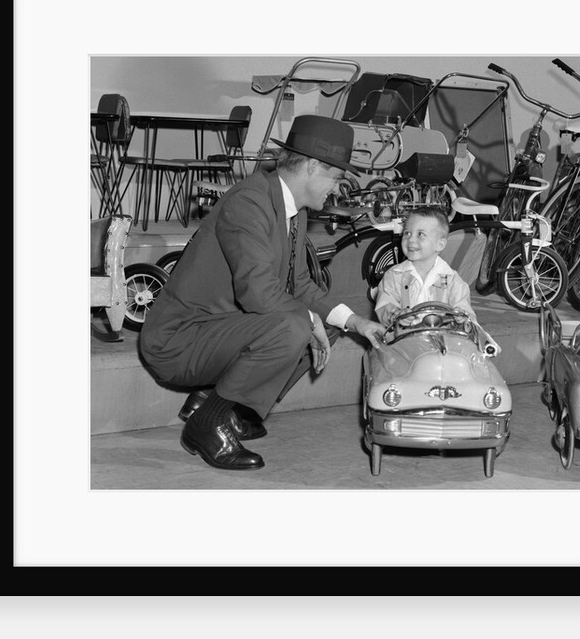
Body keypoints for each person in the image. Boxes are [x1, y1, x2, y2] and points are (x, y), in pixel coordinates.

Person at [139, 114, 385, 471]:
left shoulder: (293, 210)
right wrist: (310, 320)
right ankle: (207, 424)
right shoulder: (249, 201)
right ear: (313, 166)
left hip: (219, 330)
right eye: (336, 177)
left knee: (327, 323)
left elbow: (299, 284)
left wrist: (357, 322)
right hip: (178, 341)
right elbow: (257, 293)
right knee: (296, 325)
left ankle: (227, 407)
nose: (337, 188)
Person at [373, 206, 477, 326]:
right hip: (405, 339)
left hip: (442, 338)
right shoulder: (394, 275)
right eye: (407, 233)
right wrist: (396, 315)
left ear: (440, 245)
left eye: (420, 234)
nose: (411, 239)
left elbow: (466, 312)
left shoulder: (452, 280)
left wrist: (462, 317)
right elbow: (385, 305)